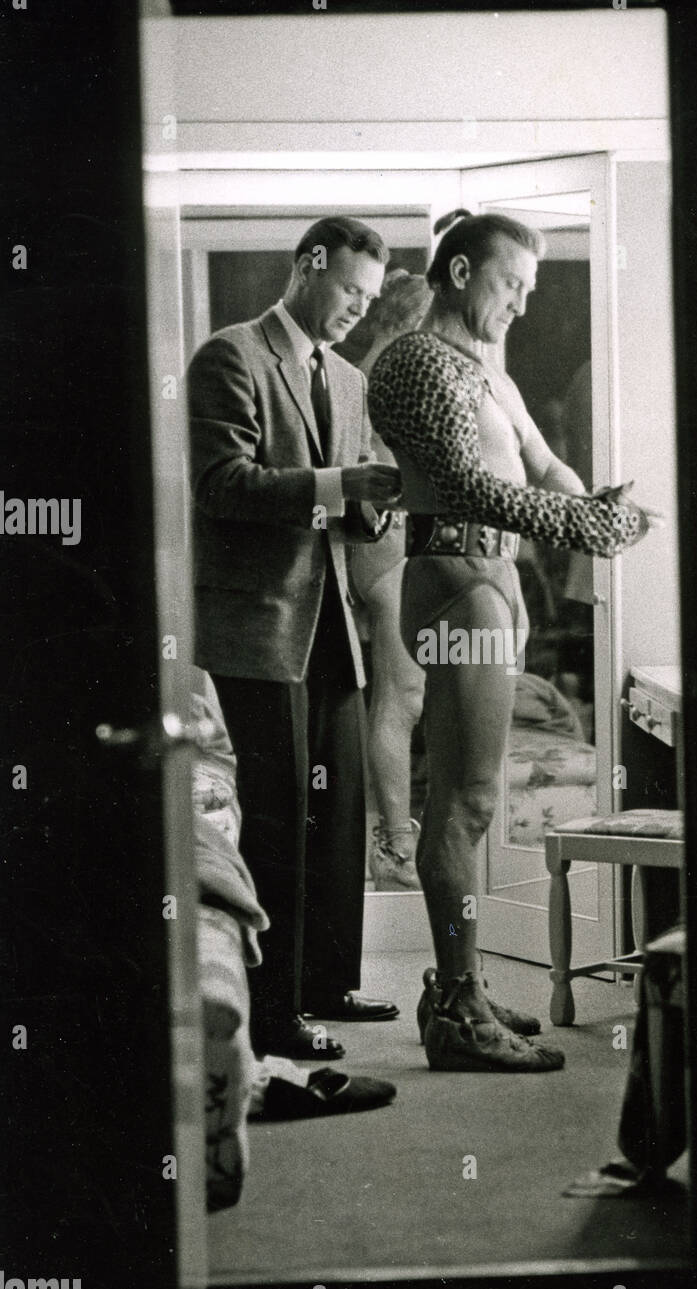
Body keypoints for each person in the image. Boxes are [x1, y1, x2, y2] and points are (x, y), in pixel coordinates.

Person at [368, 209, 655, 1072]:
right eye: (509, 284)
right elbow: (462, 484)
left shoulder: (488, 375)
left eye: (531, 289)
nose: (522, 304)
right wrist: (585, 525)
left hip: (493, 587)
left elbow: (539, 467)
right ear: (459, 274)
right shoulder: (417, 361)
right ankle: (456, 1006)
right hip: (455, 586)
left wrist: (596, 503)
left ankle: (462, 983)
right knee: (463, 802)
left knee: (477, 799)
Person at [187, 216, 402, 1061]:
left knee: (335, 812)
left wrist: (368, 502)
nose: (358, 307)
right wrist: (337, 482)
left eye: (369, 296)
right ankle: (273, 1013)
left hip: (330, 625)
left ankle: (326, 983)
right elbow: (219, 486)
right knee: (276, 820)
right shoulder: (229, 357)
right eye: (351, 288)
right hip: (257, 628)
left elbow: (336, 516)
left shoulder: (347, 381)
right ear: (310, 266)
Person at [348, 271, 432, 890]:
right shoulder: (395, 372)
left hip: (379, 543)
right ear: (412, 322)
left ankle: (386, 837)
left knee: (391, 699)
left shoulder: (363, 370)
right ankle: (394, 844)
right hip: (388, 544)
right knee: (400, 699)